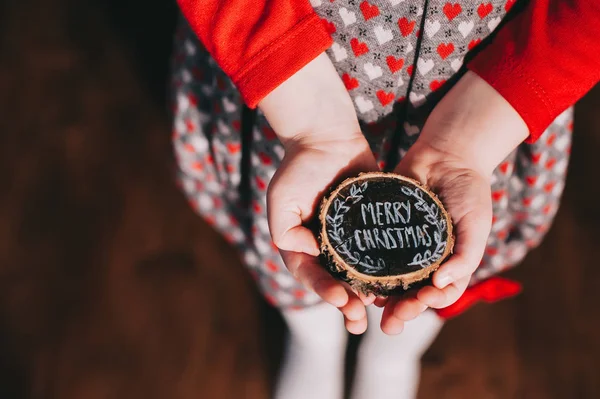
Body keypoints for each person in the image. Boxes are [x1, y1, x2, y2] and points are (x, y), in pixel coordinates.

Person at [171, 1, 600, 398]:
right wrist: (303, 110)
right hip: (284, 86)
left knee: (443, 271)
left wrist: (477, 133)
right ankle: (313, 339)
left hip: (493, 98)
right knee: (294, 236)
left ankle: (392, 353)